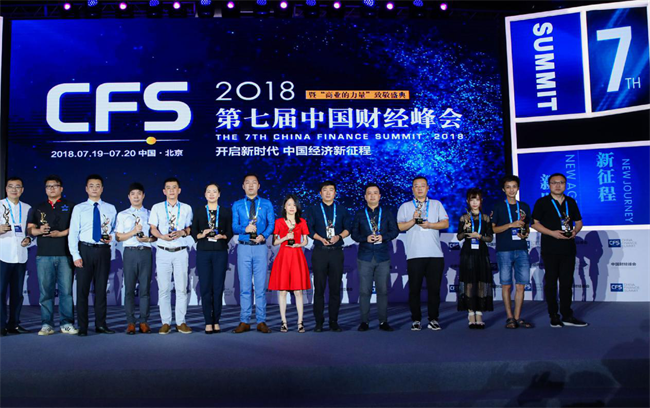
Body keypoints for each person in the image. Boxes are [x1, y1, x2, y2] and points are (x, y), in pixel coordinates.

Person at [532, 173, 588, 328]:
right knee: (551, 283)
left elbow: (579, 222)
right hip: (550, 248)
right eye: (554, 182)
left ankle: (567, 315)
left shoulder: (571, 201)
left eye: (561, 182)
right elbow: (534, 223)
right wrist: (552, 233)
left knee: (566, 283)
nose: (558, 185)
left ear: (566, 184)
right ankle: (554, 315)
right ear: (549, 185)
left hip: (568, 248)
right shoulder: (542, 202)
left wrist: (575, 231)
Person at [397, 176, 449, 331]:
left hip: (435, 254)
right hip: (414, 254)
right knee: (414, 290)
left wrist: (430, 225)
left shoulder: (436, 204)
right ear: (412, 189)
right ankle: (416, 319)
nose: (419, 188)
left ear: (428, 188)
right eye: (416, 186)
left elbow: (445, 223)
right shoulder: (405, 206)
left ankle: (433, 319)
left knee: (434, 290)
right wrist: (413, 220)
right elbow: (400, 227)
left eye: (422, 186)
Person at [67, 174, 117, 336]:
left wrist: (112, 237)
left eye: (97, 186)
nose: (94, 189)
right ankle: (82, 326)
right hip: (85, 250)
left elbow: (115, 230)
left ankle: (101, 324)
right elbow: (73, 233)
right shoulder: (79, 208)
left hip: (103, 250)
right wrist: (75, 255)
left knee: (101, 290)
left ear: (102, 189)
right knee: (82, 290)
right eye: (91, 186)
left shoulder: (110, 208)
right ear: (86, 189)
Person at [27, 175, 77, 336]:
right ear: (45, 189)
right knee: (45, 292)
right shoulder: (38, 208)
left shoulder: (71, 206)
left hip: (65, 254)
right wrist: (39, 230)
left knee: (66, 292)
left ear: (61, 188)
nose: (52, 188)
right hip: (44, 255)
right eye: (48, 186)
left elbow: (76, 227)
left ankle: (66, 323)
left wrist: (61, 233)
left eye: (55, 186)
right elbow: (30, 229)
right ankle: (47, 324)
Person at [351, 183, 399, 332]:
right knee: (364, 291)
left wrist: (383, 237)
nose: (372, 195)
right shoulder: (359, 214)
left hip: (382, 256)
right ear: (365, 197)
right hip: (365, 256)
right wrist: (365, 238)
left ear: (380, 196)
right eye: (369, 193)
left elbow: (395, 231)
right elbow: (354, 234)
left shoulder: (387, 213)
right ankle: (364, 322)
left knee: (382, 291)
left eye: (375, 193)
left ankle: (383, 322)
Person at [305, 181, 352, 332]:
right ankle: (319, 322)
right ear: (320, 193)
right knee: (319, 289)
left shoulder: (342, 209)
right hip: (320, 251)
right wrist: (320, 238)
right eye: (325, 190)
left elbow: (348, 228)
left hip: (336, 252)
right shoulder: (313, 209)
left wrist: (339, 236)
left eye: (331, 190)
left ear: (335, 193)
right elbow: (308, 229)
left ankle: (333, 321)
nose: (328, 193)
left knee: (335, 288)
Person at [149, 177, 193, 335]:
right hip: (163, 251)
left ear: (179, 190)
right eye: (168, 187)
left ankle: (181, 322)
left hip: (180, 251)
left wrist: (182, 232)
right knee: (164, 289)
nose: (171, 190)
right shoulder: (157, 207)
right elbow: (153, 228)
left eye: (174, 187)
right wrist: (161, 236)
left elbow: (190, 228)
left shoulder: (186, 208)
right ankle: (166, 322)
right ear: (164, 191)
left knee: (181, 289)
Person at [231, 173, 275, 334]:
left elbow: (271, 224)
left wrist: (264, 235)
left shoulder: (266, 203)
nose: (250, 185)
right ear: (243, 186)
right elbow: (234, 226)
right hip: (243, 247)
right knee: (244, 286)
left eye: (254, 182)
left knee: (260, 287)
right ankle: (244, 320)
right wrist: (245, 229)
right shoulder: (237, 205)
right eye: (247, 183)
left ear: (259, 186)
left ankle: (261, 321)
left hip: (260, 247)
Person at [491, 175, 534, 329]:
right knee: (506, 286)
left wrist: (525, 233)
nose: (511, 190)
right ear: (503, 189)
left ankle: (517, 317)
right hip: (504, 250)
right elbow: (493, 229)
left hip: (521, 249)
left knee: (521, 286)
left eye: (514, 187)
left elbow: (526, 226)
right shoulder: (498, 207)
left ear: (518, 188)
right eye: (508, 187)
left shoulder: (524, 206)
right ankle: (509, 318)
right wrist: (510, 225)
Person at [191, 183, 233, 334]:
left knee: (218, 287)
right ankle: (208, 321)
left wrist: (223, 236)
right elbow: (194, 231)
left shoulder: (226, 212)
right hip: (203, 252)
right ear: (205, 194)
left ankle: (216, 320)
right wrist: (201, 234)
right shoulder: (199, 211)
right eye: (208, 191)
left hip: (220, 252)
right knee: (205, 287)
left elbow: (230, 231)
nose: (211, 194)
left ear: (219, 194)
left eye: (214, 191)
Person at [115, 182, 156, 335]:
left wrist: (147, 239)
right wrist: (133, 232)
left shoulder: (151, 214)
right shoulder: (122, 214)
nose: (136, 196)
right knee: (129, 289)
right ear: (129, 197)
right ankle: (131, 322)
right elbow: (118, 237)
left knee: (145, 289)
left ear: (143, 196)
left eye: (139, 193)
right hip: (130, 253)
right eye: (133, 194)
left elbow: (155, 237)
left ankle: (144, 321)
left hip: (145, 252)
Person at [269, 195, 311, 333]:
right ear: (284, 207)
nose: (291, 207)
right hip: (283, 256)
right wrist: (286, 237)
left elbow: (305, 241)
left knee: (298, 291)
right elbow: (275, 242)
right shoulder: (279, 222)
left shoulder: (302, 222)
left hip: (297, 256)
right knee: (282, 291)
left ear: (297, 207)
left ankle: (300, 322)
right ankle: (284, 322)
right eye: (289, 204)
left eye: (294, 205)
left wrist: (299, 244)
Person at [456, 188, 494, 329]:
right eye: (472, 200)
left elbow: (490, 238)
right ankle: (471, 313)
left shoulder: (486, 218)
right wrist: (465, 231)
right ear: (468, 201)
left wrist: (480, 236)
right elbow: (459, 237)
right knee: (469, 283)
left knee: (481, 282)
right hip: (468, 253)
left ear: (481, 201)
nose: (474, 202)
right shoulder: (464, 218)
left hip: (481, 253)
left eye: (477, 199)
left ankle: (479, 313)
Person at [0, 177, 33, 336]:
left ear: (22, 190)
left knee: (17, 294)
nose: (14, 189)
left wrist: (29, 240)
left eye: (17, 187)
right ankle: (1, 325)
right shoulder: (0, 205)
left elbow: (31, 231)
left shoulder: (27, 208)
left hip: (20, 256)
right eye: (11, 186)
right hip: (2, 255)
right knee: (0, 292)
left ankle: (14, 324)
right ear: (6, 189)